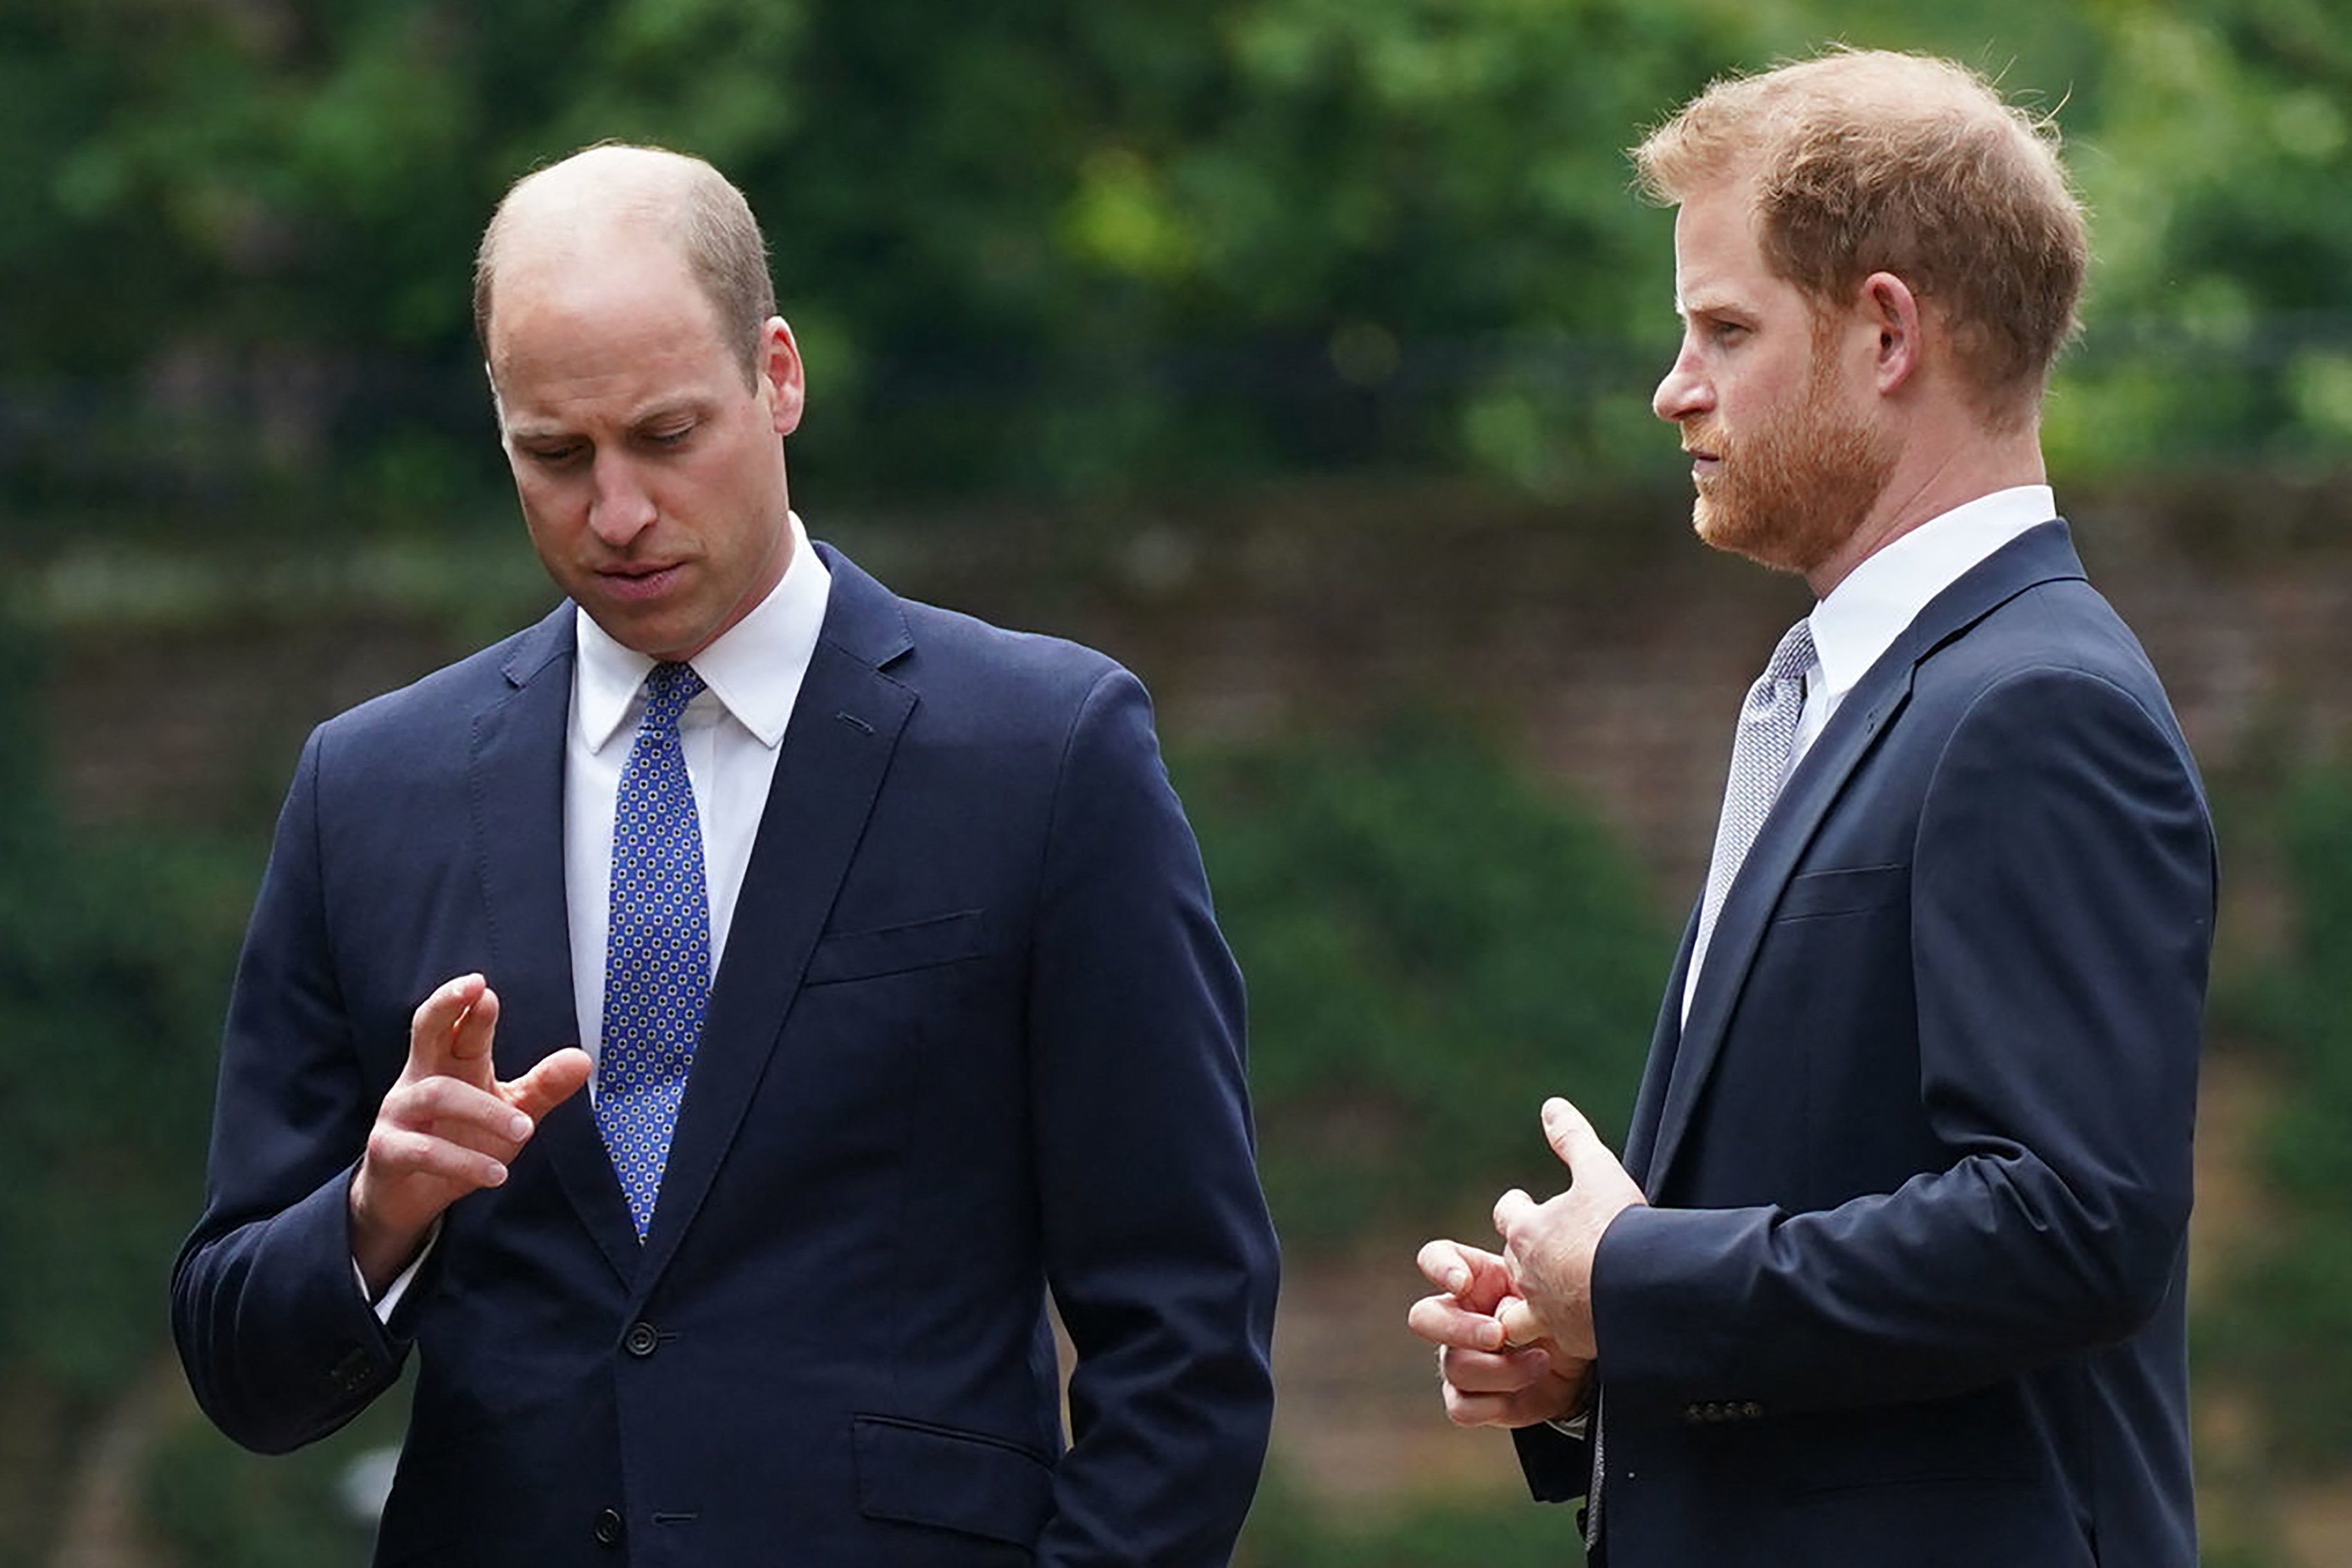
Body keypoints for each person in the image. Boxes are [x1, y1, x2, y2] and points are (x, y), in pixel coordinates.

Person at [172, 144, 1280, 1566]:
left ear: (778, 376)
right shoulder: (368, 790)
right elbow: (238, 1360)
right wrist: (376, 1215)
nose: (614, 511)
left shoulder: (1042, 753)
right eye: (554, 455)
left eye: (665, 435)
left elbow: (1182, 1323)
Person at [1408, 48, 2214, 1567]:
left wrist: (1638, 1280)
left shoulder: (2035, 707)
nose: (1671, 389)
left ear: (1885, 332)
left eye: (1722, 329)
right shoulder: (1848, 686)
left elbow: (2069, 1229)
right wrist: (1590, 1355)